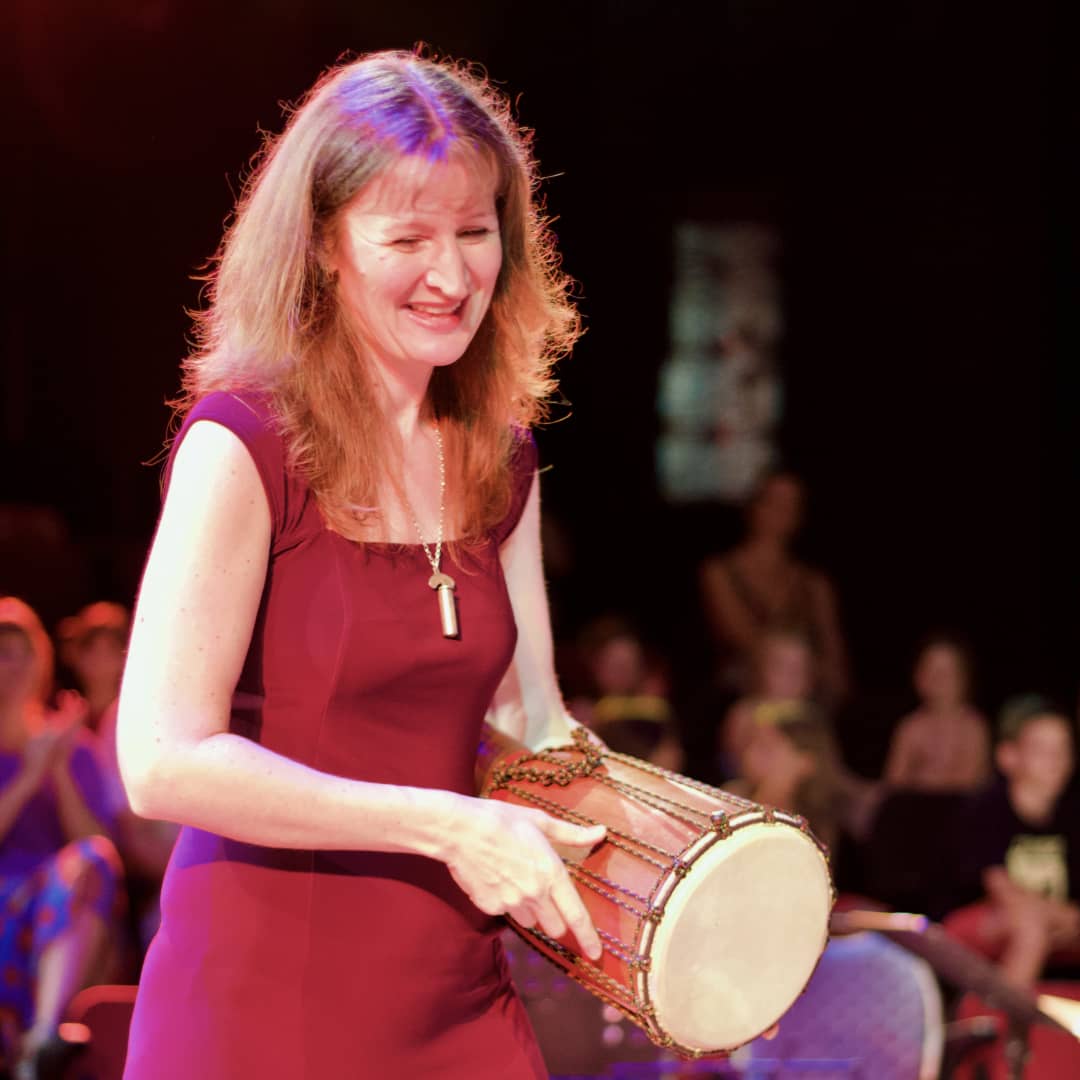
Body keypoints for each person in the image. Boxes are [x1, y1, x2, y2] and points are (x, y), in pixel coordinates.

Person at [116, 51, 609, 1080]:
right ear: (323, 247)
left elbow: (533, 724)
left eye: (475, 232)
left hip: (459, 1000)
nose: (452, 276)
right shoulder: (243, 442)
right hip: (261, 1004)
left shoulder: (502, 455)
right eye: (408, 239)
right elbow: (160, 760)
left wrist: (697, 867)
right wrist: (446, 827)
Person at [0, 599, 121, 1079]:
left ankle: (44, 1041)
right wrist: (30, 774)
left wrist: (60, 770)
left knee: (92, 860)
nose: (13, 665)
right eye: (2, 652)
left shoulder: (77, 748)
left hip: (52, 903)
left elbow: (101, 852)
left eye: (23, 652)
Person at [941, 696, 1080, 989]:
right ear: (1008, 756)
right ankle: (1003, 1016)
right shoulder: (988, 808)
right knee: (1031, 927)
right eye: (1041, 750)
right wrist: (1062, 915)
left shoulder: (1072, 811)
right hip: (984, 918)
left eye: (1063, 749)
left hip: (1055, 919)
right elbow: (1001, 889)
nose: (1056, 760)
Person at [698, 471, 850, 705]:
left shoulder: (813, 583)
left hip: (805, 697)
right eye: (774, 502)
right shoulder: (719, 572)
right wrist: (789, 667)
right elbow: (741, 635)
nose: (782, 511)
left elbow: (834, 654)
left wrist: (827, 683)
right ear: (754, 506)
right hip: (741, 693)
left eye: (792, 504)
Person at [883, 634, 990, 792]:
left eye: (946, 673)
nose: (938, 680)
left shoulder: (974, 727)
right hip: (915, 805)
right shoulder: (910, 728)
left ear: (963, 678)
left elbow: (965, 785)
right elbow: (893, 786)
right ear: (918, 677)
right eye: (931, 671)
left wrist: (924, 781)